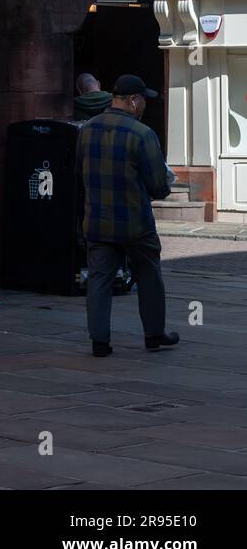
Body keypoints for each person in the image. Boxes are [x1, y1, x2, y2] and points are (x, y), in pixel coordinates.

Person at [77, 75, 178, 357]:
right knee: (148, 276)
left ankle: (99, 341)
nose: (144, 105)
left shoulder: (87, 129)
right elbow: (159, 185)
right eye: (143, 99)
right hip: (135, 223)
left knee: (99, 280)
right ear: (133, 101)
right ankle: (154, 335)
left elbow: (78, 173)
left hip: (97, 220)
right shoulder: (142, 134)